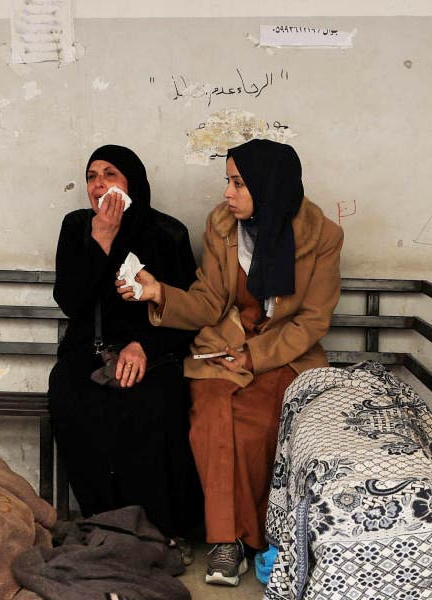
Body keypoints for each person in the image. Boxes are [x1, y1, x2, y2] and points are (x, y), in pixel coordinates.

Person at [119, 139, 343, 586]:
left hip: (283, 353)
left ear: (268, 185)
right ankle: (226, 543)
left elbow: (312, 321)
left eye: (238, 183)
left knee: (256, 424)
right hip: (222, 349)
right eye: (228, 181)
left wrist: (255, 355)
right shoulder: (223, 227)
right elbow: (208, 301)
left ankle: (250, 539)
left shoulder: (323, 237)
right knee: (210, 417)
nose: (227, 193)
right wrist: (159, 293)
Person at [49, 144, 204, 546]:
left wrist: (144, 345)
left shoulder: (167, 233)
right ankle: (103, 525)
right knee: (73, 395)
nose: (98, 184)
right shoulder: (76, 227)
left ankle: (160, 531)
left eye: (110, 175)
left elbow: (186, 312)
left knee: (150, 405)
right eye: (91, 176)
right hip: (89, 350)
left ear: (131, 182)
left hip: (154, 350)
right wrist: (101, 238)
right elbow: (70, 301)